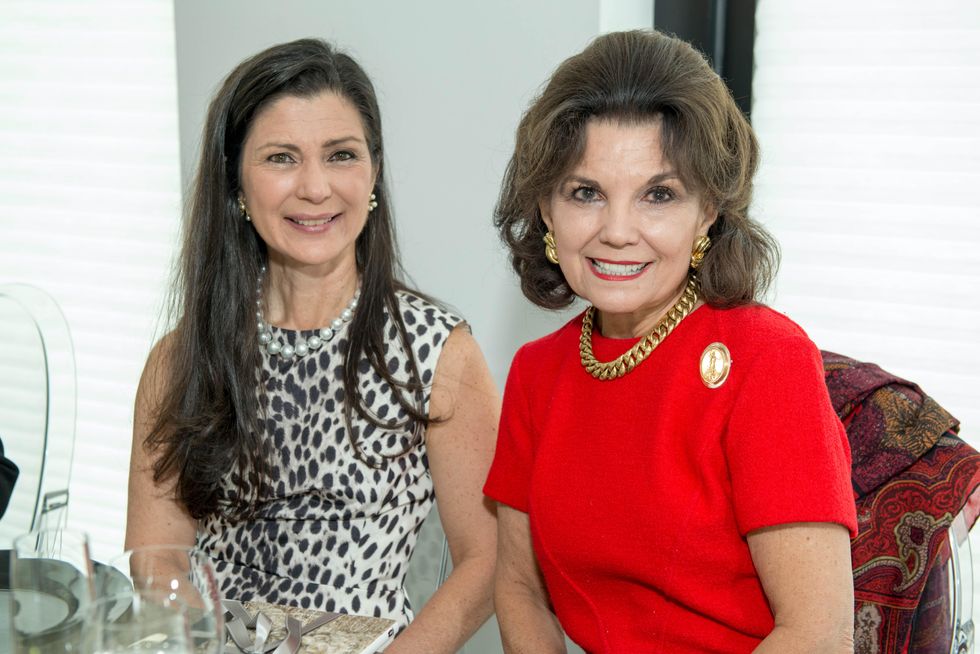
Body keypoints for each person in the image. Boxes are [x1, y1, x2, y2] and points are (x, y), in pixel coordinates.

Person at [486, 30, 857, 653]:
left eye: (658, 195)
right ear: (547, 209)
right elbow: (519, 587)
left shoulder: (768, 359)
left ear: (708, 210)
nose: (617, 231)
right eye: (586, 193)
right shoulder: (536, 371)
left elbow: (818, 634)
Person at [126, 38, 499, 652]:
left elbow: (487, 561)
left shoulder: (437, 353)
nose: (316, 187)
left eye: (341, 155)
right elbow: (155, 558)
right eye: (281, 158)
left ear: (373, 172)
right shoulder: (181, 359)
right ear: (236, 182)